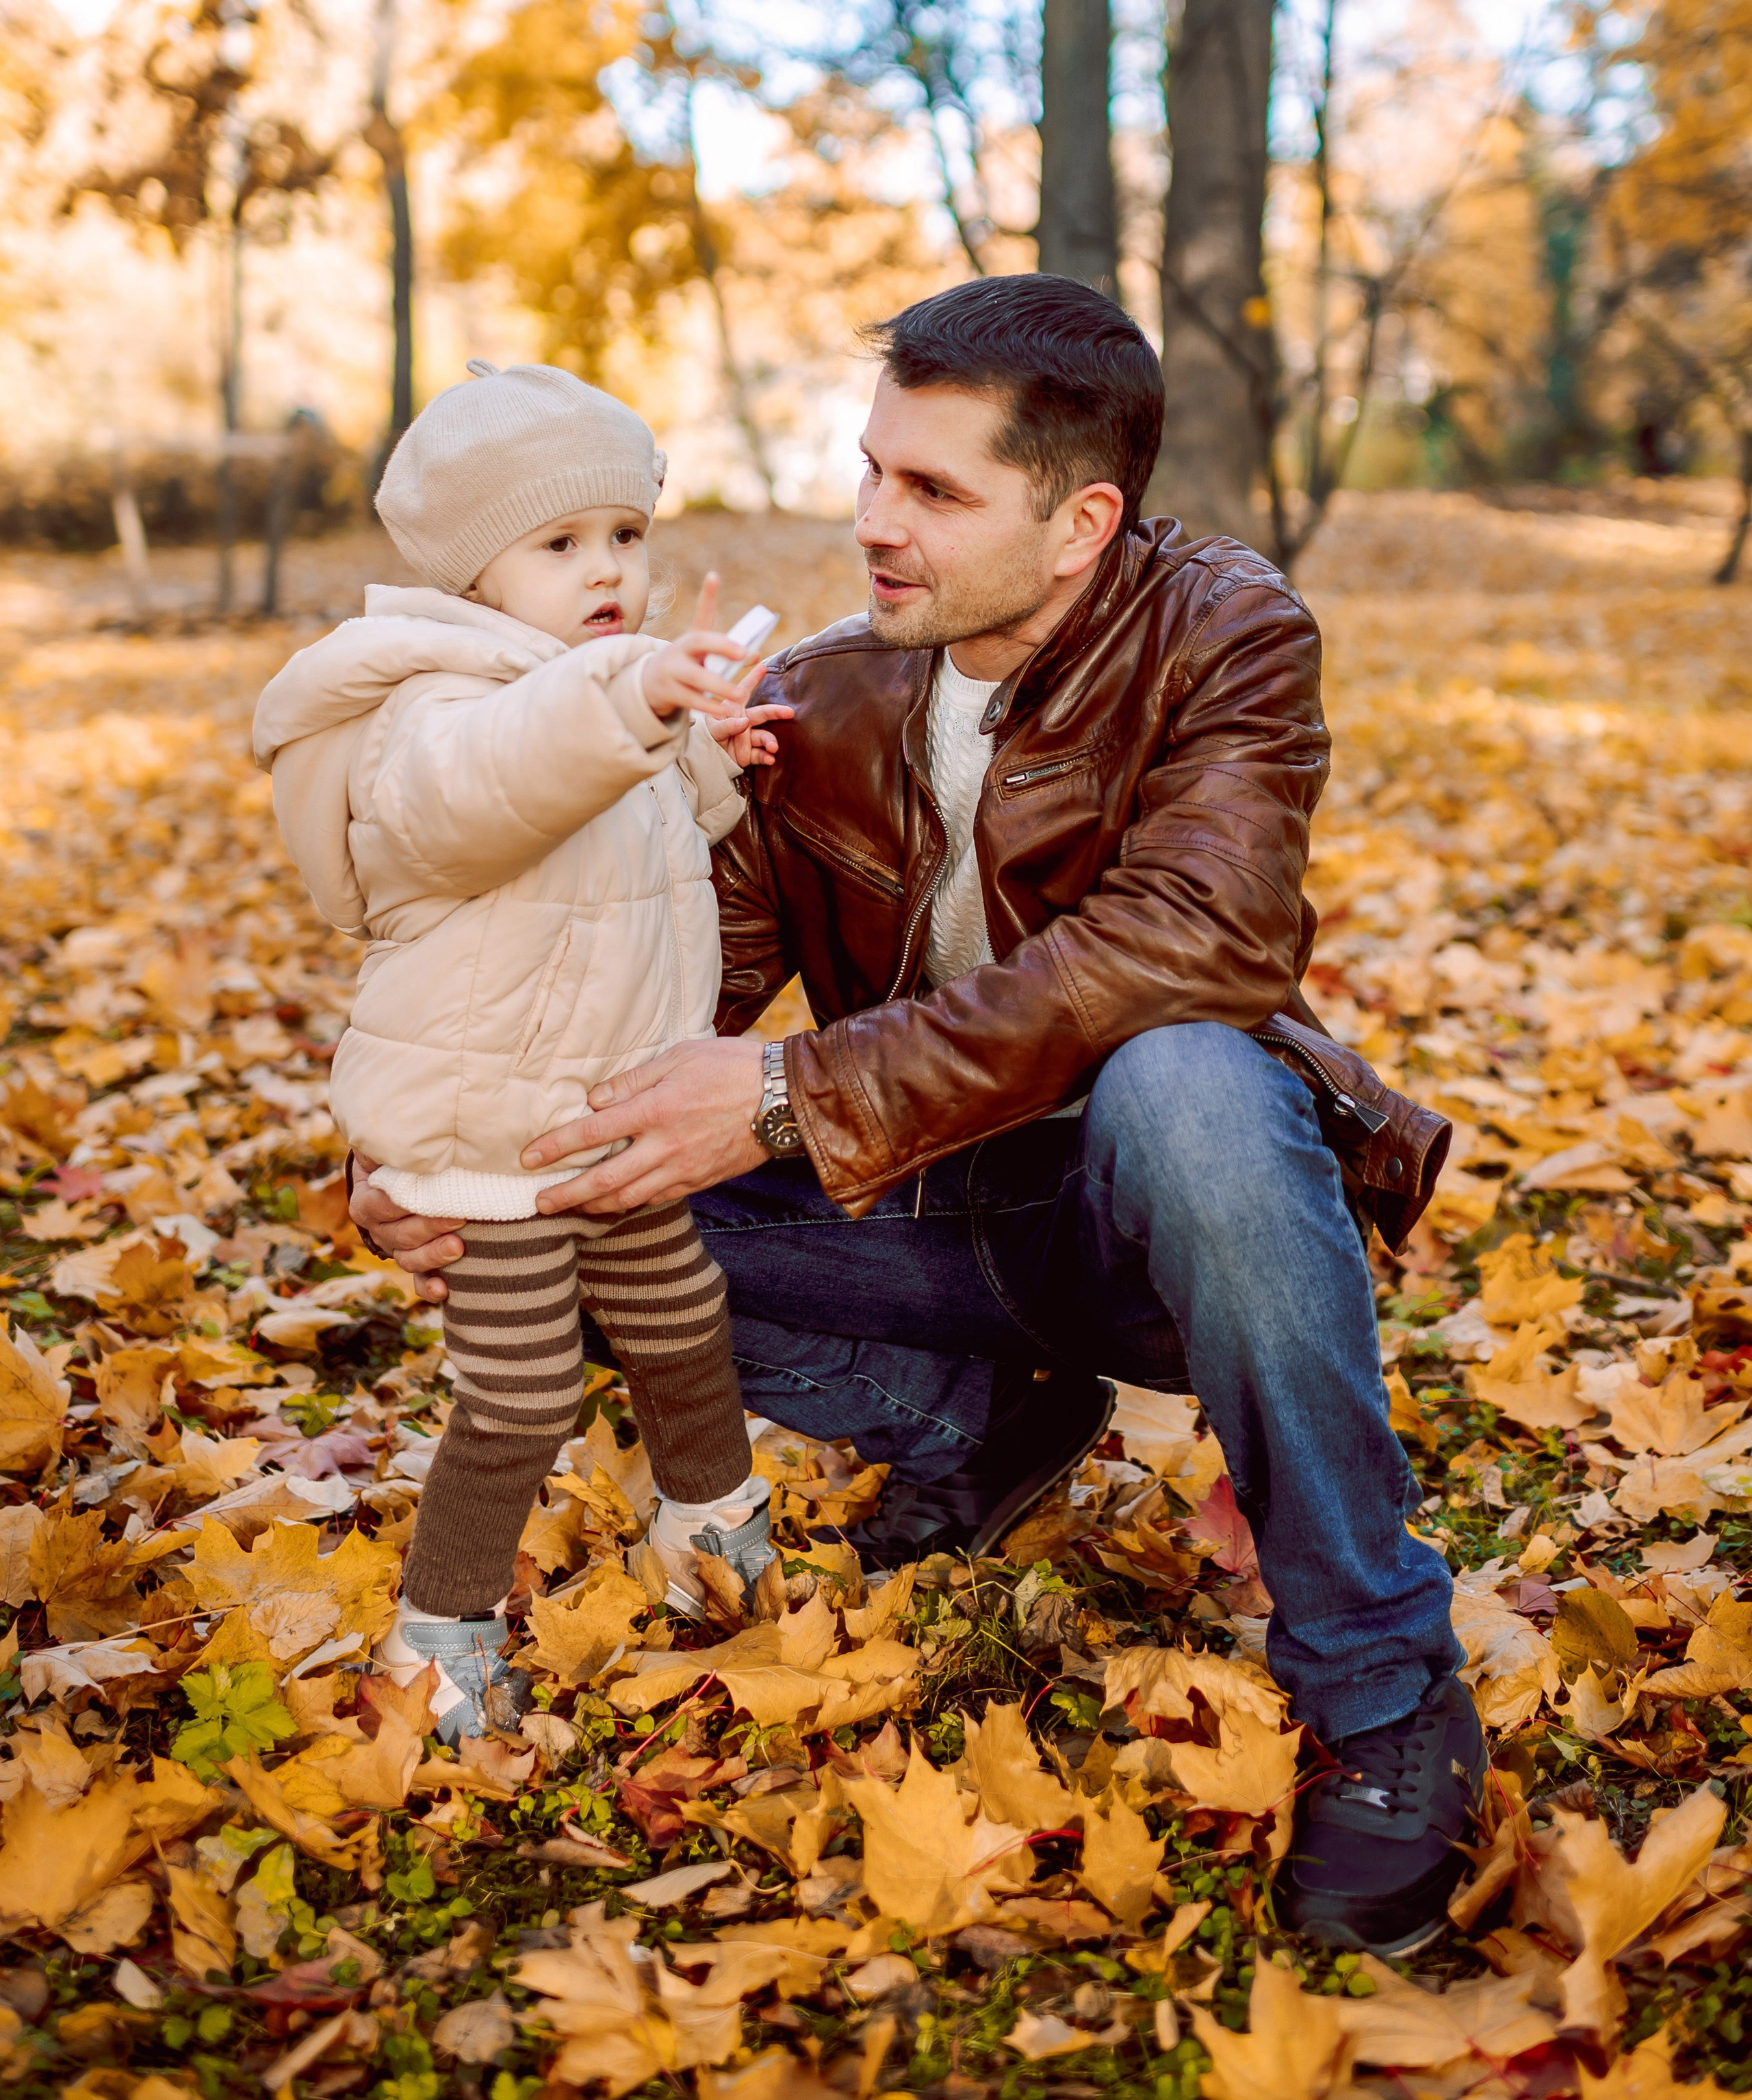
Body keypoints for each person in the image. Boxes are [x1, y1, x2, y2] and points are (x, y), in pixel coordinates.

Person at [353, 278, 1483, 1956]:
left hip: (1148, 1230)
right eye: (872, 470)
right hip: (919, 1216)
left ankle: (1385, 1686)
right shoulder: (822, 700)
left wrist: (789, 1094)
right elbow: (642, 992)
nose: (873, 521)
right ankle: (978, 1418)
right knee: (551, 1209)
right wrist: (433, 1160)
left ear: (1078, 522)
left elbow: (1199, 935)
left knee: (1185, 1076)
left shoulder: (1222, 633)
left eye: (933, 490)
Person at [255, 360, 790, 1740]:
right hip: (487, 1135)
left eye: (625, 535)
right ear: (474, 573)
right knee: (524, 1391)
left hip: (606, 1115)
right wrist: (629, 699)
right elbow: (492, 786)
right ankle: (442, 1628)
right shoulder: (433, 706)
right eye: (559, 544)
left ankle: (707, 1522)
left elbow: (645, 839)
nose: (606, 569)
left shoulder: (588, 695)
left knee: (683, 1321)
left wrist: (707, 752)